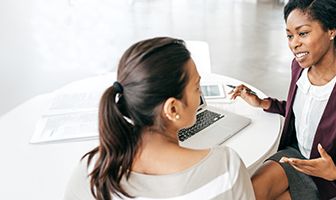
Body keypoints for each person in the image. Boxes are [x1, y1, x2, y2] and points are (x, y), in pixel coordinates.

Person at [64, 37, 254, 200]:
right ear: (172, 108)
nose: (201, 95)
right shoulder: (226, 167)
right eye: (197, 87)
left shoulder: (92, 172)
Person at [230, 0, 336, 199]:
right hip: (294, 157)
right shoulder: (299, 68)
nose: (294, 43)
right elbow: (303, 112)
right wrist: (262, 103)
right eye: (289, 35)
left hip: (326, 179)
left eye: (302, 33)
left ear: (331, 31)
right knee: (246, 194)